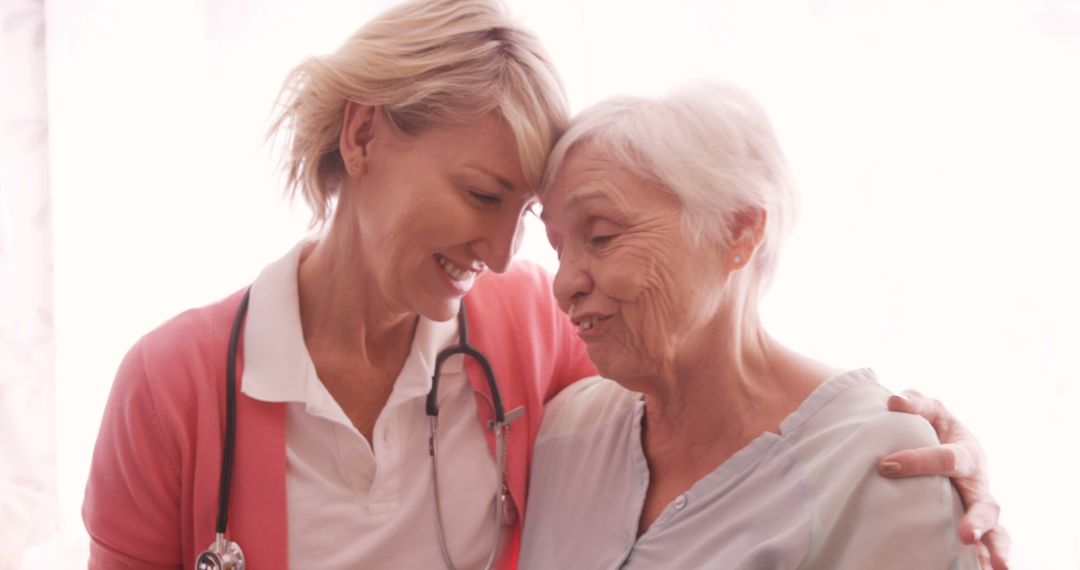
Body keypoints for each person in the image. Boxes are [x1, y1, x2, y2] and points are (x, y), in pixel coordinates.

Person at [82, 1, 1006, 569]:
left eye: (520, 214)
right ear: (362, 137)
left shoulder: (526, 325)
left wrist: (921, 448)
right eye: (481, 194)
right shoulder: (173, 387)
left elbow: (709, 366)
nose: (497, 249)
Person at [520, 80, 999, 569]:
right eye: (557, 248)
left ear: (739, 229)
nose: (563, 284)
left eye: (601, 236)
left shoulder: (877, 462)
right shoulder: (563, 431)